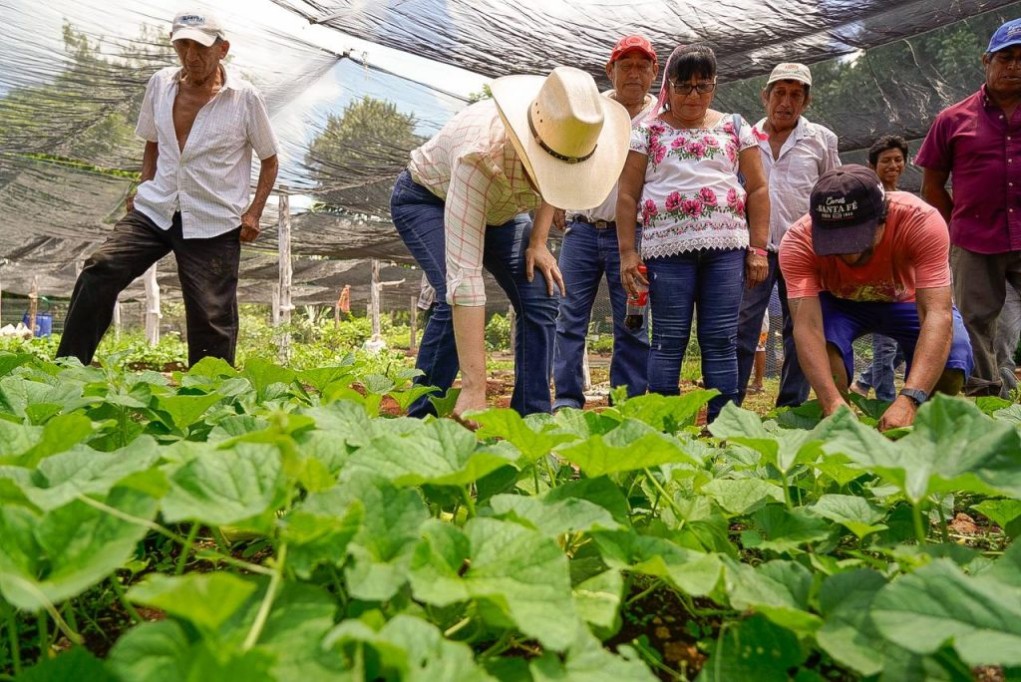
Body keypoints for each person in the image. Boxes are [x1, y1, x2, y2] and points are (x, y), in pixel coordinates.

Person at [390, 66, 631, 420]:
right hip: (428, 198)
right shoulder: (479, 158)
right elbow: (465, 281)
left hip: (500, 210)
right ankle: (422, 420)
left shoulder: (564, 134)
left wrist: (538, 241)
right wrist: (476, 387)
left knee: (542, 291)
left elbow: (558, 179)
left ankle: (531, 421)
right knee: (449, 296)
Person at [56, 10, 278, 368]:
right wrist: (144, 184)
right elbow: (153, 142)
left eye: (201, 47)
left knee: (211, 316)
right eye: (182, 45)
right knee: (101, 268)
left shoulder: (245, 98)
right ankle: (66, 369)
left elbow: (270, 159)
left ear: (222, 49)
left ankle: (208, 399)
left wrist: (253, 212)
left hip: (213, 219)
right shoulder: (160, 84)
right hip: (156, 209)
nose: (191, 56)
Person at [617, 43, 770, 422]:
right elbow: (627, 194)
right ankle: (667, 429)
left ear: (714, 86)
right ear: (668, 87)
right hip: (666, 253)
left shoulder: (735, 126)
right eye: (684, 86)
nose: (693, 95)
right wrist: (626, 253)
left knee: (721, 342)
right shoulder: (647, 131)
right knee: (668, 342)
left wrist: (759, 249)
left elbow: (759, 189)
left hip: (726, 251)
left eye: (703, 86)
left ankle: (725, 431)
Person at [780, 165, 973, 431]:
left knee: (953, 358)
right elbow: (807, 327)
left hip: (904, 299)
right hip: (840, 303)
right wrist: (830, 400)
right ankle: (841, 426)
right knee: (825, 351)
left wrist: (910, 398)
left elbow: (936, 314)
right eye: (834, 243)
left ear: (884, 217)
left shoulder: (921, 221)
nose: (847, 255)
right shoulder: (798, 241)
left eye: (856, 241)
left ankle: (923, 433)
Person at [551, 35, 658, 411]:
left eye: (641, 66)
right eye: (625, 65)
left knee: (632, 321)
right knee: (567, 317)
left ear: (654, 73)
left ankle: (626, 405)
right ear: (609, 71)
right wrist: (556, 200)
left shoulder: (662, 119)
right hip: (581, 229)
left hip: (636, 236)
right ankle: (566, 400)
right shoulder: (590, 110)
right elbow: (561, 153)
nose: (633, 73)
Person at [916, 17, 1021, 397]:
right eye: (1005, 57)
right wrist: (951, 232)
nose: (1014, 66)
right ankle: (986, 397)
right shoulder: (952, 119)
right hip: (975, 239)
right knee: (975, 320)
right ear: (986, 61)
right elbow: (932, 183)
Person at [735, 62, 840, 408]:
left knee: (802, 332)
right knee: (743, 327)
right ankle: (728, 408)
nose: (786, 101)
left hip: (806, 253)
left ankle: (791, 408)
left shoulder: (822, 140)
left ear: (806, 101)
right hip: (756, 250)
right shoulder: (744, 138)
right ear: (765, 96)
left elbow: (833, 193)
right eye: (779, 92)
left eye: (796, 94)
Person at [850, 135, 910, 401]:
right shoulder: (868, 199)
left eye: (898, 159)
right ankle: (885, 404)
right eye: (886, 160)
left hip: (906, 286)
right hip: (878, 286)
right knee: (885, 350)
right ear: (873, 165)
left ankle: (863, 382)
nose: (893, 165)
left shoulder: (909, 200)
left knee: (902, 348)